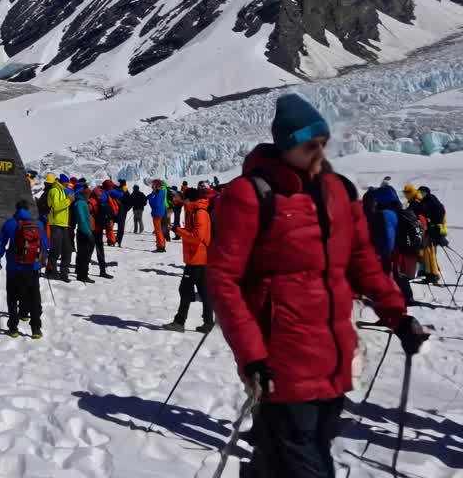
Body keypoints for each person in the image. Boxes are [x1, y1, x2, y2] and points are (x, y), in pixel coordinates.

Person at [207, 93, 428, 477]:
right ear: (287, 146)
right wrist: (252, 356)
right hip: (280, 361)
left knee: (284, 457)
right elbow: (223, 280)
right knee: (307, 461)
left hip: (332, 355)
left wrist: (399, 316)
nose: (320, 152)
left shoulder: (338, 192)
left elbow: (363, 263)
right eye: (310, 145)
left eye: (323, 143)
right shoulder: (250, 195)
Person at [0, 200, 48, 338]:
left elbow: (1, 243)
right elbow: (46, 245)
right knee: (34, 297)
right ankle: (36, 329)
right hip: (32, 267)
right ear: (28, 209)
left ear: (16, 209)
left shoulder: (10, 223)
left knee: (12, 298)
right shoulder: (38, 224)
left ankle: (13, 328)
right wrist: (41, 262)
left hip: (13, 267)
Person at [162, 188, 214, 333]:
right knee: (203, 291)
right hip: (197, 258)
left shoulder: (199, 213)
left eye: (184, 198)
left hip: (197, 258)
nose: (182, 201)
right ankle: (208, 322)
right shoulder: (195, 210)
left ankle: (180, 322)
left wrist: (178, 230)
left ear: (189, 199)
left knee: (185, 290)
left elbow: (198, 237)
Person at [404, 184, 442, 284]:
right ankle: (429, 272)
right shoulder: (425, 200)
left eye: (421, 192)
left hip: (431, 229)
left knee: (430, 251)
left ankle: (433, 274)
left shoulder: (428, 200)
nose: (420, 194)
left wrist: (435, 225)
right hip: (428, 228)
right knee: (427, 251)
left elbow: (436, 213)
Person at [43, 174, 71, 280]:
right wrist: (68, 201)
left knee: (67, 250)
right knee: (56, 250)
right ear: (62, 182)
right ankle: (51, 272)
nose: (68, 184)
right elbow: (55, 207)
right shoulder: (54, 191)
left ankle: (63, 273)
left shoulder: (62, 191)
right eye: (67, 182)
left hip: (63, 224)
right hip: (56, 224)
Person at [71, 183, 95, 283]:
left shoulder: (80, 201)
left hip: (82, 231)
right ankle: (83, 275)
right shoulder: (80, 203)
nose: (88, 194)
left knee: (81, 253)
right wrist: (88, 233)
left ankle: (79, 271)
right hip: (84, 231)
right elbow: (82, 219)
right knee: (85, 254)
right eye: (86, 192)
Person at [148, 180, 168, 252]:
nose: (152, 187)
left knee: (158, 230)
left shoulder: (159, 193)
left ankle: (161, 246)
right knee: (158, 230)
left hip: (157, 213)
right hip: (159, 212)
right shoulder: (161, 192)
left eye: (153, 186)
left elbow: (155, 204)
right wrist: (152, 195)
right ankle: (160, 245)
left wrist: (150, 198)